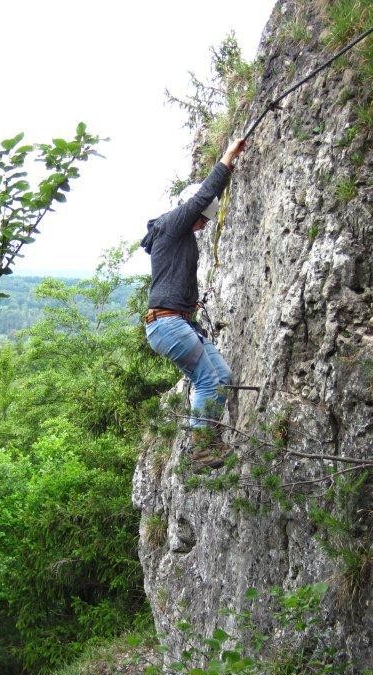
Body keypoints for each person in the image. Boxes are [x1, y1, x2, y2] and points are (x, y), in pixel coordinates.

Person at [140, 137, 247, 468]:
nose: (203, 226)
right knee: (207, 381)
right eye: (202, 219)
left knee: (223, 377)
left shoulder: (177, 238)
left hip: (175, 322)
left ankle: (209, 442)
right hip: (167, 323)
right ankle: (202, 448)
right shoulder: (173, 225)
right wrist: (228, 158)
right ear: (192, 211)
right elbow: (203, 195)